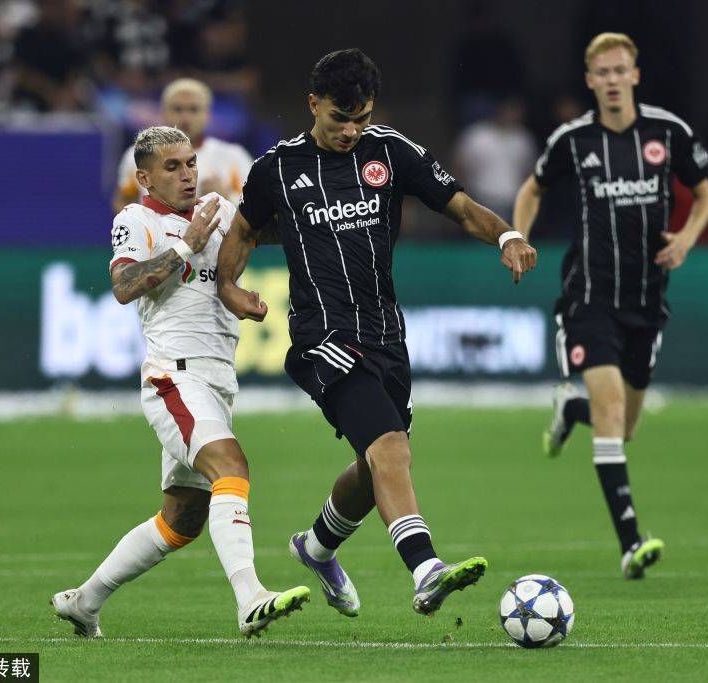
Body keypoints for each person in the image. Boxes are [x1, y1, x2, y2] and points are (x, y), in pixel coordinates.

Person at [216, 48, 537, 618]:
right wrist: (228, 287)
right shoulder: (277, 168)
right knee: (391, 447)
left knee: (375, 466)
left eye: (360, 118)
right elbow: (242, 231)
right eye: (339, 118)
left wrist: (507, 236)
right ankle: (426, 568)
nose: (350, 131)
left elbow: (462, 208)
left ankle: (316, 548)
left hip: (386, 335)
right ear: (313, 105)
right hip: (322, 338)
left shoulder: (391, 151)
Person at [51, 126, 309, 639]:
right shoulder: (136, 220)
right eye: (172, 167)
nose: (188, 174)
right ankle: (250, 598)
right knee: (231, 466)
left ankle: (85, 602)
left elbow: (276, 229)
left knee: (182, 520)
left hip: (217, 379)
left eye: (190, 162)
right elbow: (124, 286)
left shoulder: (218, 209)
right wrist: (186, 248)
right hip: (173, 375)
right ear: (144, 178)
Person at [513, 33, 708, 578]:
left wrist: (686, 239)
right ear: (589, 80)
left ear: (635, 74)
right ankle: (631, 543)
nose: (611, 80)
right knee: (609, 413)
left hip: (647, 300)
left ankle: (569, 411)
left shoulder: (668, 132)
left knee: (624, 429)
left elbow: (706, 195)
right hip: (589, 299)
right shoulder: (573, 139)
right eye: (601, 72)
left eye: (619, 70)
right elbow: (532, 189)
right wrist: (517, 237)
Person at [112, 78, 252, 212]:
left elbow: (254, 210)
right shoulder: (139, 154)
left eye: (194, 109)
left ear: (207, 115)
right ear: (164, 113)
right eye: (178, 109)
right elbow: (123, 203)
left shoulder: (233, 156)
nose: (185, 117)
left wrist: (226, 198)